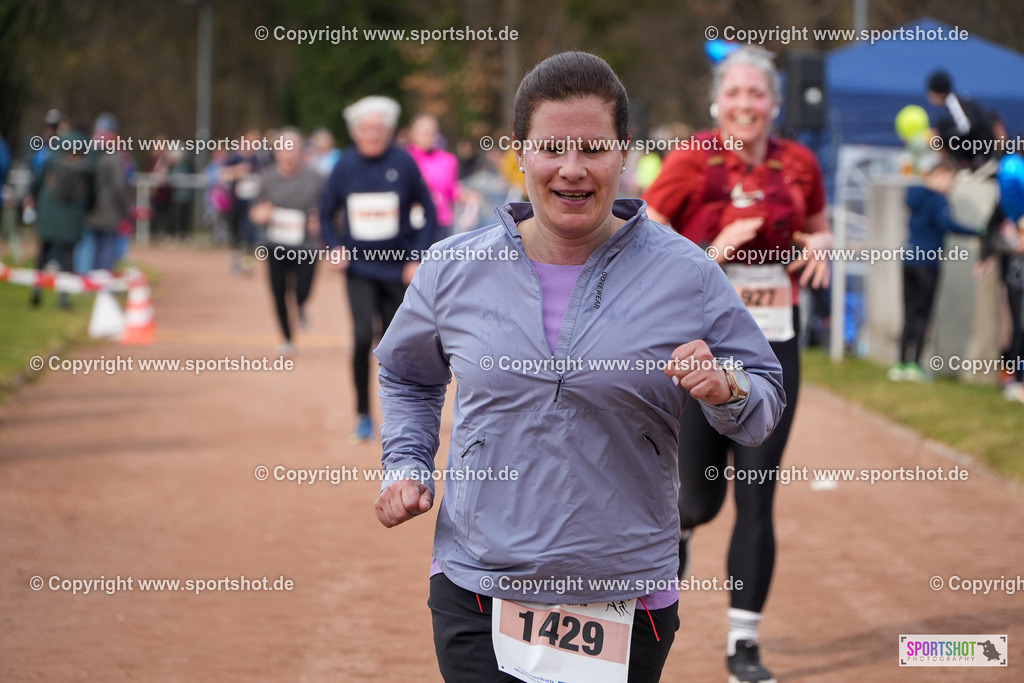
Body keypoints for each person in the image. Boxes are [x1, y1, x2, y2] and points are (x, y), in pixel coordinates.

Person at [373, 51, 786, 683]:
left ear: (624, 152)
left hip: (627, 597)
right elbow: (408, 372)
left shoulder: (687, 275)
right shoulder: (453, 268)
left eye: (593, 148)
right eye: (552, 148)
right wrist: (406, 460)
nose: (572, 169)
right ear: (519, 152)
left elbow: (762, 405)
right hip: (479, 585)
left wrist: (724, 386)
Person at [643, 46, 832, 683]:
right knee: (698, 498)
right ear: (716, 102)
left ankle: (742, 644)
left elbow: (818, 224)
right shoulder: (691, 160)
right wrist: (715, 249)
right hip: (702, 351)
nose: (746, 105)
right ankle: (672, 556)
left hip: (775, 340)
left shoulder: (799, 162)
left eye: (758, 95)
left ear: (775, 103)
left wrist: (822, 245)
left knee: (757, 493)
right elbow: (643, 241)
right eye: (736, 94)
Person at [320, 96, 438, 442]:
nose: (372, 134)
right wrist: (335, 246)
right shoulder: (344, 165)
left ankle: (398, 417)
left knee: (394, 346)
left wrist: (417, 256)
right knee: (360, 337)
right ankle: (362, 414)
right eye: (366, 129)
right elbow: (326, 214)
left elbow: (430, 213)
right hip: (359, 270)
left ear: (389, 131)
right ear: (355, 132)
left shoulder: (403, 162)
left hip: (398, 271)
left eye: (379, 128)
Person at [889, 157, 977, 382]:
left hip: (908, 259)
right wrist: (979, 231)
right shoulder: (938, 200)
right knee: (923, 314)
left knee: (909, 313)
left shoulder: (914, 195)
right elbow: (947, 224)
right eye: (951, 180)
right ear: (940, 175)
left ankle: (900, 363)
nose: (952, 186)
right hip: (927, 263)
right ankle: (914, 364)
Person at [250, 128, 324, 355]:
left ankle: (300, 306)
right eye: (284, 149)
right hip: (275, 243)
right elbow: (254, 210)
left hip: (306, 245)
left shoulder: (316, 178)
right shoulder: (267, 177)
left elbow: (329, 210)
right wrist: (259, 215)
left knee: (302, 290)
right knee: (278, 291)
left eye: (293, 149)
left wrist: (319, 221)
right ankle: (287, 338)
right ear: (277, 151)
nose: (289, 154)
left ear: (301, 152)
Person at [28, 128, 94, 309]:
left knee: (43, 253)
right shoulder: (87, 167)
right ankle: (63, 298)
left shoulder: (52, 160)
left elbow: (37, 182)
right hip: (72, 216)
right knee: (67, 257)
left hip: (49, 214)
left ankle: (36, 290)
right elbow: (91, 194)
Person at [925, 70, 1000, 172]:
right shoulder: (958, 101)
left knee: (942, 131)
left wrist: (940, 135)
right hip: (983, 149)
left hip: (983, 151)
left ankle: (960, 167)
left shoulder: (952, 102)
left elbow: (966, 127)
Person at [83, 113, 131, 271]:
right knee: (107, 251)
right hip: (109, 212)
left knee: (91, 250)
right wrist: (125, 210)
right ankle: (102, 288)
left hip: (90, 211)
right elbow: (119, 186)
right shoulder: (115, 156)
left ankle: (90, 284)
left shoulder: (88, 154)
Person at [406, 114, 460, 240]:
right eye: (425, 132)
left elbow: (452, 189)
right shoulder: (405, 160)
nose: (429, 136)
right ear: (413, 134)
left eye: (433, 132)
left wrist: (467, 195)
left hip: (442, 222)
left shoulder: (448, 160)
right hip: (414, 222)